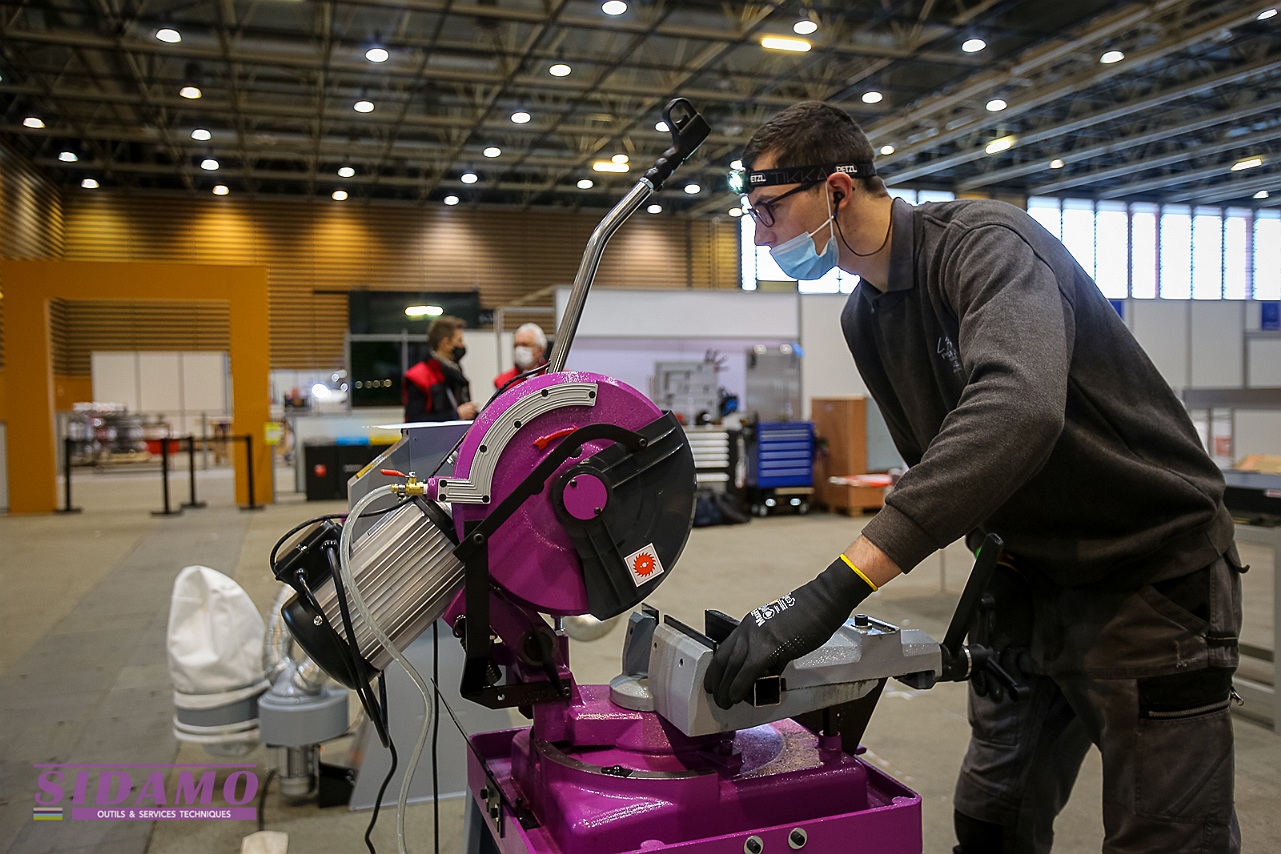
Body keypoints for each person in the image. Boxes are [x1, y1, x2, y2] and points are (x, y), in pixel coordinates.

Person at [703, 100, 1243, 854]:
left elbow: (1016, 412)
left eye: (766, 211)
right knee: (991, 820)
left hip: (1146, 577)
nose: (760, 236)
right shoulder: (865, 318)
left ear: (835, 189)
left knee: (1167, 836)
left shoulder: (984, 244)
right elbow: (942, 465)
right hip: (1025, 587)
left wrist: (832, 589)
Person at [403, 315, 477, 422]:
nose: (463, 345)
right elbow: (414, 420)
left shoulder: (456, 372)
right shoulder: (418, 376)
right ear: (446, 343)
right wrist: (456, 415)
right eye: (460, 340)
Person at [493, 322, 549, 390]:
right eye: (516, 345)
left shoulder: (555, 376)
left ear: (540, 350)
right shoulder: (503, 382)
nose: (519, 349)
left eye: (525, 345)